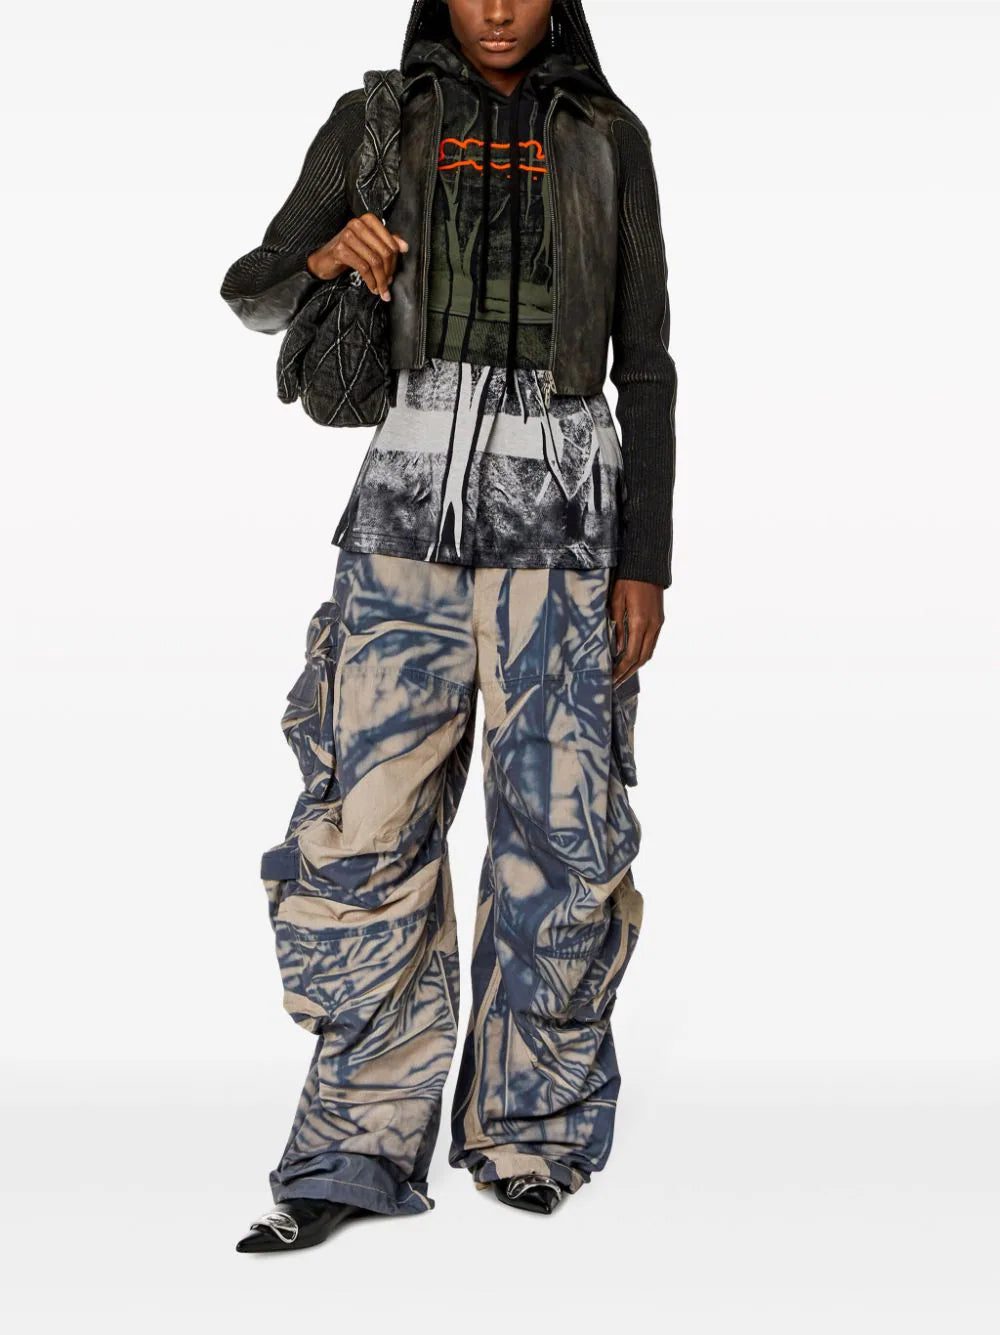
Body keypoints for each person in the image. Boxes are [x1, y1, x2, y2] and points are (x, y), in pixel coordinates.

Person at [219, 0, 677, 1253]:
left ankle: (531, 1135)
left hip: (567, 530)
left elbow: (645, 361)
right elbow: (252, 290)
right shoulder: (376, 119)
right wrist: (327, 258)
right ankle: (353, 1152)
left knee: (563, 843)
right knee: (363, 832)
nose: (498, 10)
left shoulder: (610, 138)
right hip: (400, 527)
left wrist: (645, 562)